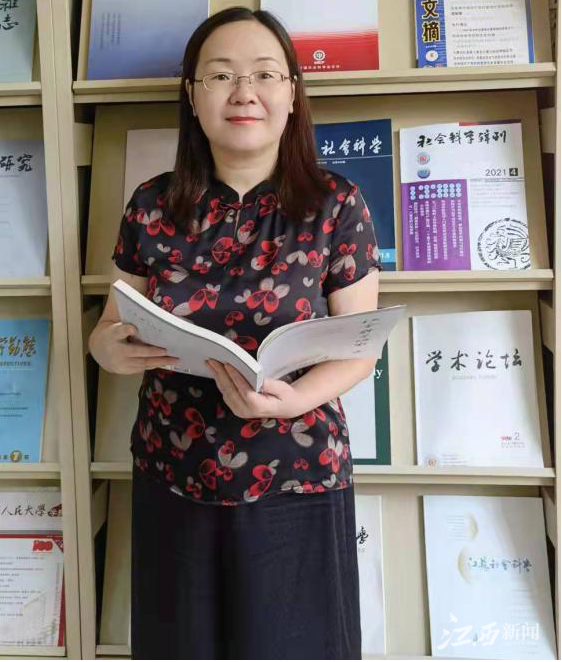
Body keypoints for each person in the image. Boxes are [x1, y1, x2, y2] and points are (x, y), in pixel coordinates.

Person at [88, 6, 382, 660]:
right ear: (192, 96)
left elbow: (359, 348)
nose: (244, 92)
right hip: (172, 467)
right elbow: (110, 326)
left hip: (297, 469)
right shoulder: (151, 205)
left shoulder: (336, 203)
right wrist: (108, 349)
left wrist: (295, 399)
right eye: (221, 75)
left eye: (264, 74)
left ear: (292, 93)